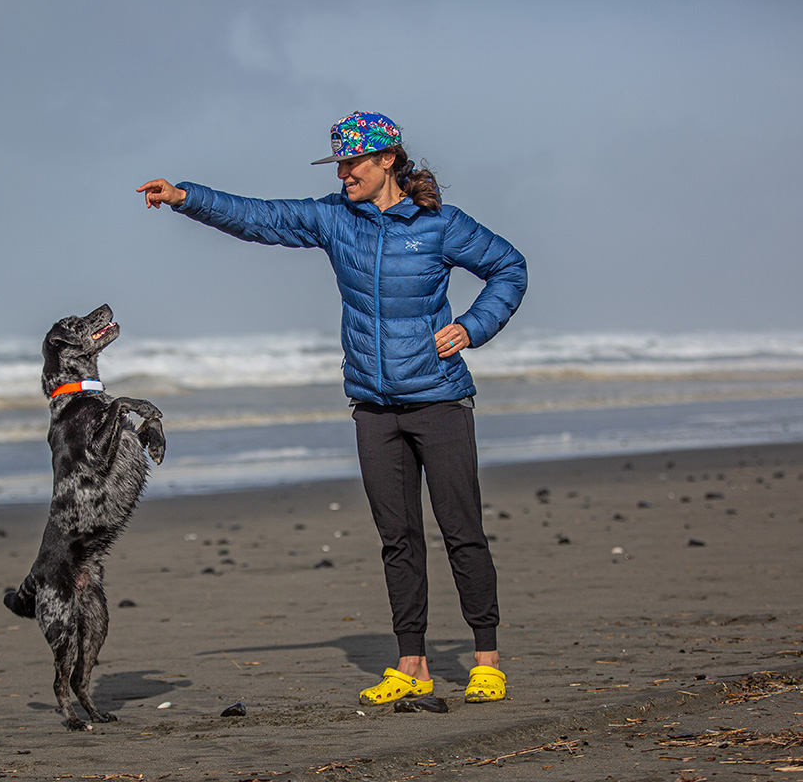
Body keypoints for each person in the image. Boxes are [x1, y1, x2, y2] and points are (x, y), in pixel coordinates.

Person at [138, 111, 527, 706]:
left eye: (354, 163)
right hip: (373, 407)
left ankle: (486, 660)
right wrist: (187, 196)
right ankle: (412, 665)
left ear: (388, 161)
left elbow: (509, 268)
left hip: (440, 401)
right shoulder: (333, 219)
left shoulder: (439, 225)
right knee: (397, 538)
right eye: (339, 164)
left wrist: (472, 328)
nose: (344, 173)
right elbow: (259, 218)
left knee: (461, 532)